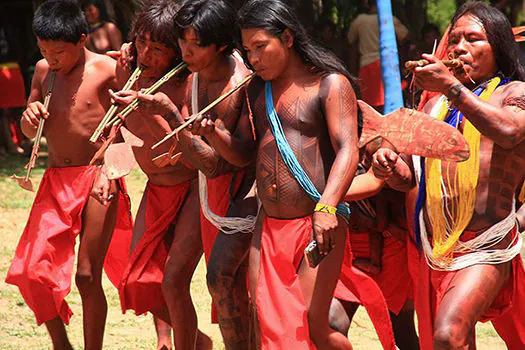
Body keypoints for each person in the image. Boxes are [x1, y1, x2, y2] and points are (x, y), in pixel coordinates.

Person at [183, 0, 360, 348]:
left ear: (289, 37)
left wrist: (326, 208)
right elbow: (246, 153)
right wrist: (214, 135)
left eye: (261, 47)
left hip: (316, 223)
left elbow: (348, 149)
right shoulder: (256, 90)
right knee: (266, 319)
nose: (254, 59)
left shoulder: (330, 84)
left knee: (310, 324)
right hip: (268, 228)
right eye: (248, 51)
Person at [372, 3, 525, 349]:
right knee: (457, 339)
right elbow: (412, 178)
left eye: (473, 39)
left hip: (487, 246)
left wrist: (452, 88)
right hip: (439, 248)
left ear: (498, 46)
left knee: (447, 334)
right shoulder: (434, 107)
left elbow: (509, 132)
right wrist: (389, 167)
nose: (459, 48)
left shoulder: (514, 94)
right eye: (454, 40)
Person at [120, 0, 255, 348]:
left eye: (193, 44)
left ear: (220, 45)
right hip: (187, 188)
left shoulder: (225, 82)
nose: (185, 51)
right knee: (162, 279)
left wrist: (167, 117)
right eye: (182, 42)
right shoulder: (159, 69)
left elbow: (214, 162)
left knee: (216, 281)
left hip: (223, 193)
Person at [4, 1, 133, 349]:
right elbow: (31, 129)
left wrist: (111, 169)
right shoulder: (44, 72)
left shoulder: (108, 69)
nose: (52, 58)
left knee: (87, 275)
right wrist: (28, 121)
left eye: (59, 51)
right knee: (31, 271)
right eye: (45, 50)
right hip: (55, 179)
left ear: (82, 39)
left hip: (97, 177)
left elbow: (129, 127)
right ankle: (62, 345)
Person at [108, 1, 213, 349]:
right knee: (140, 280)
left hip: (191, 191)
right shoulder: (128, 70)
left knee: (172, 281)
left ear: (178, 53)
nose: (145, 55)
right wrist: (109, 171)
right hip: (156, 188)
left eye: (157, 49)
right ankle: (188, 341)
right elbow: (121, 129)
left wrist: (147, 108)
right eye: (141, 44)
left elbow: (188, 146)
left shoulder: (189, 84)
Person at [347, 0, 408, 113]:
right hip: (388, 65)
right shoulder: (390, 18)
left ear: (367, 4)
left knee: (369, 105)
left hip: (366, 63)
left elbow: (351, 42)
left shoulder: (359, 21)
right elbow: (405, 37)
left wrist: (352, 70)